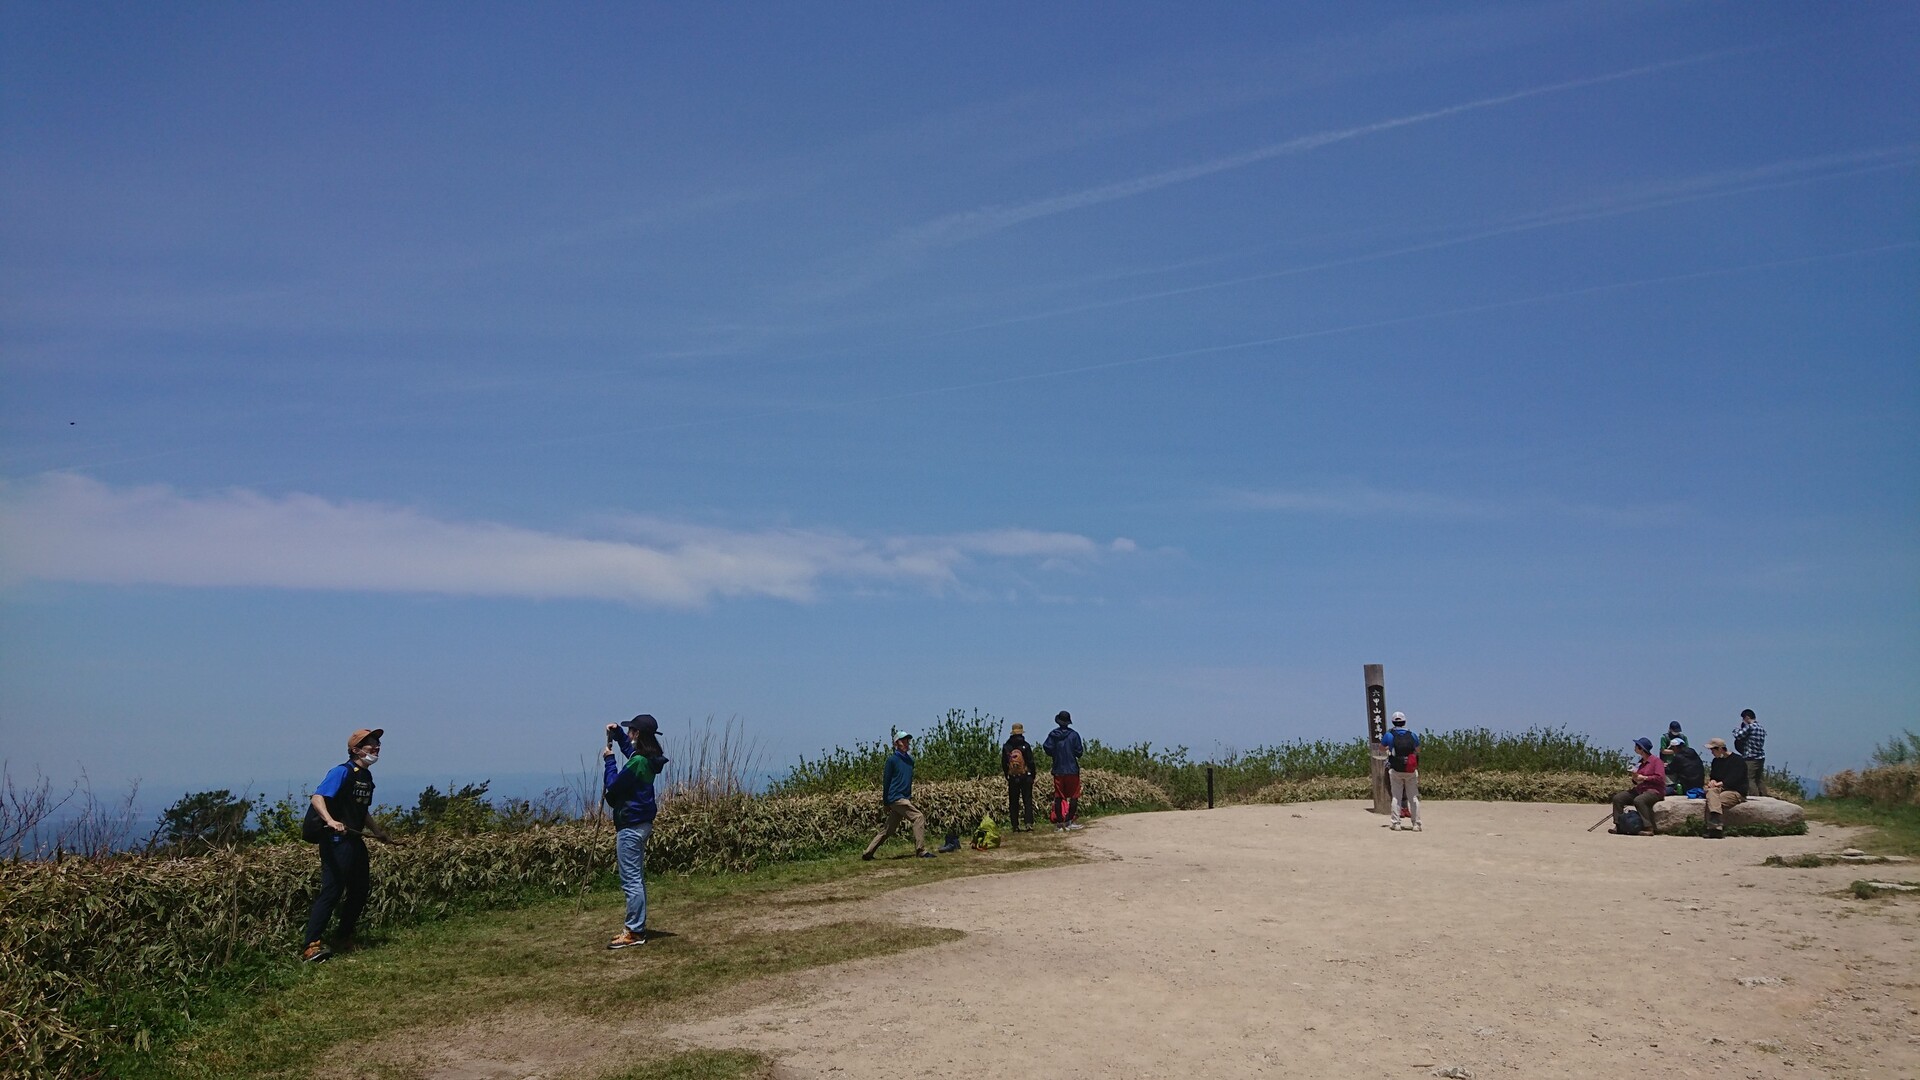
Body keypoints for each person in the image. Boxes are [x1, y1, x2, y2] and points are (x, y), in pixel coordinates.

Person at [302, 728, 394, 962]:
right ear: (355, 750)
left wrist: (377, 832)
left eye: (376, 744)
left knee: (360, 889)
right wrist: (331, 821)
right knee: (332, 891)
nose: (375, 748)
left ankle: (343, 936)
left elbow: (360, 810)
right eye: (370, 745)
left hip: (354, 839)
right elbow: (317, 797)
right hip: (335, 841)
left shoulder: (366, 777)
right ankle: (311, 946)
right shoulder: (341, 772)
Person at [603, 714, 669, 949]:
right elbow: (631, 755)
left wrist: (609, 761)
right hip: (642, 824)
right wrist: (618, 735)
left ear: (638, 734)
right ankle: (635, 927)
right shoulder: (646, 760)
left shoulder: (638, 762)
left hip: (630, 826)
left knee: (631, 880)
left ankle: (634, 931)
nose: (629, 733)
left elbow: (614, 785)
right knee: (636, 879)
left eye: (630, 731)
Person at [862, 730, 935, 860]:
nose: (906, 743)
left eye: (907, 740)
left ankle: (868, 853)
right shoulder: (892, 760)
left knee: (888, 830)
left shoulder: (910, 761)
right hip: (896, 797)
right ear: (896, 743)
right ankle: (921, 850)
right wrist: (886, 802)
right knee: (918, 817)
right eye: (903, 740)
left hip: (903, 797)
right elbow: (886, 781)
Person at [1611, 738, 1667, 835]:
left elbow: (1660, 778)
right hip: (1640, 789)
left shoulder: (1656, 761)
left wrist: (1645, 778)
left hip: (1654, 791)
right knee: (1618, 798)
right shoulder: (1640, 763)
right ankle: (1619, 825)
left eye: (1637, 746)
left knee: (1639, 800)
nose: (1635, 747)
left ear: (1641, 748)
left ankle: (1648, 827)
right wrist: (1635, 778)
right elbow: (1636, 780)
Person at [1042, 710, 1085, 831]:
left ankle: (1060, 823)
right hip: (1072, 769)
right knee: (1074, 796)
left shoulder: (1053, 734)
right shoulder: (1074, 735)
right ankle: (1069, 821)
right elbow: (1079, 752)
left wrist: (1055, 753)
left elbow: (1047, 747)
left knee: (1059, 797)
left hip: (1058, 769)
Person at [1702, 737, 1749, 839]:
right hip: (1719, 789)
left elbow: (1736, 779)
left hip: (1735, 791)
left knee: (1714, 801)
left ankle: (1714, 828)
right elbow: (1713, 776)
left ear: (1720, 749)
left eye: (1713, 750)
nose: (1712, 753)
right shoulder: (1716, 761)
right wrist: (1713, 781)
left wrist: (1719, 784)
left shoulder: (1738, 761)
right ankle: (1715, 827)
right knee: (1711, 793)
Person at [1385, 712, 1423, 832]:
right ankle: (1416, 824)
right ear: (1404, 722)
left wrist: (1388, 749)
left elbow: (1381, 748)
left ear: (1393, 722)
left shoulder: (1389, 735)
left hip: (1396, 769)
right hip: (1410, 770)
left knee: (1396, 796)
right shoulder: (1412, 734)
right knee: (1413, 797)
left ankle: (1396, 823)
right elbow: (1418, 750)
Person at [1002, 722, 1037, 832]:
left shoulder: (1007, 746)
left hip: (1013, 777)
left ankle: (1015, 825)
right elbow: (1031, 762)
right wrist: (1033, 775)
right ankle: (1028, 823)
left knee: (1013, 802)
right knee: (1027, 800)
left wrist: (1007, 775)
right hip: (1025, 776)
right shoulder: (1025, 746)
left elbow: (1004, 763)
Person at [1733, 709, 1768, 797]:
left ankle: (1754, 797)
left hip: (1750, 757)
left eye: (1743, 719)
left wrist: (1735, 730)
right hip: (1760, 756)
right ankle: (1764, 796)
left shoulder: (1750, 727)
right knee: (1759, 779)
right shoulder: (1761, 727)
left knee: (1749, 778)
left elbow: (1738, 735)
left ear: (1747, 718)